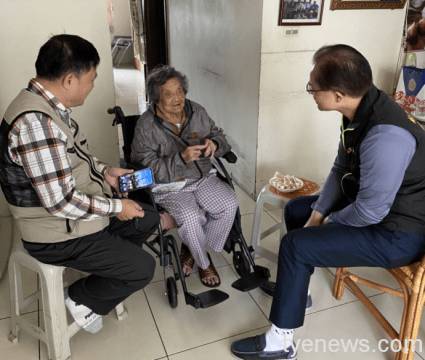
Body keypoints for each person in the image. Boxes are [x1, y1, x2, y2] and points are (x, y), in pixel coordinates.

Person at [231, 44, 425, 359]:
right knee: (298, 211)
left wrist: (327, 224)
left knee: (296, 244)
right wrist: (317, 215)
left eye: (313, 87)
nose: (310, 91)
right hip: (376, 209)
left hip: (399, 233)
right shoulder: (359, 109)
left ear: (337, 95)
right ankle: (299, 292)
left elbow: (370, 211)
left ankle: (281, 342)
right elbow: (339, 168)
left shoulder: (385, 136)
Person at [0, 34, 168, 334]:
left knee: (148, 218)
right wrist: (115, 207)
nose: (92, 86)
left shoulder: (51, 108)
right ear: (68, 80)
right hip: (53, 233)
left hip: (71, 220)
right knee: (142, 268)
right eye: (90, 79)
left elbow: (77, 157)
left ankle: (106, 271)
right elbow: (60, 202)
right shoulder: (36, 125)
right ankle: (79, 297)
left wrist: (105, 172)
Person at [131, 65, 238, 287]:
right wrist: (180, 159)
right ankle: (203, 262)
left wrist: (215, 144)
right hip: (169, 186)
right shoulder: (146, 125)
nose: (177, 98)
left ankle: (191, 247)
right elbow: (145, 168)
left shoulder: (196, 111)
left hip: (202, 177)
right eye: (168, 94)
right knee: (191, 218)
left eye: (180, 91)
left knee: (229, 204)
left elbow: (219, 135)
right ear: (155, 99)